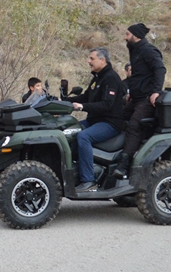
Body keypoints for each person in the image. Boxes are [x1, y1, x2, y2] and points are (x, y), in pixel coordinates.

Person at [69, 47, 127, 191]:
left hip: (110, 123)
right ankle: (71, 171)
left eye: (92, 58)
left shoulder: (111, 78)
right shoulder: (97, 77)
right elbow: (86, 96)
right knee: (69, 131)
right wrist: (64, 100)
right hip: (94, 121)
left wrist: (82, 106)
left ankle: (89, 181)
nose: (88, 61)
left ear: (102, 60)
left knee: (83, 137)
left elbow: (107, 105)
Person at [113, 23, 166, 179]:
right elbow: (139, 76)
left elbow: (160, 69)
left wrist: (156, 91)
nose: (125, 37)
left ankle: (124, 164)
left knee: (135, 125)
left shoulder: (148, 51)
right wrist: (132, 93)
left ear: (136, 36)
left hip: (146, 99)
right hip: (136, 98)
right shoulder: (135, 51)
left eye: (127, 34)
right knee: (118, 118)